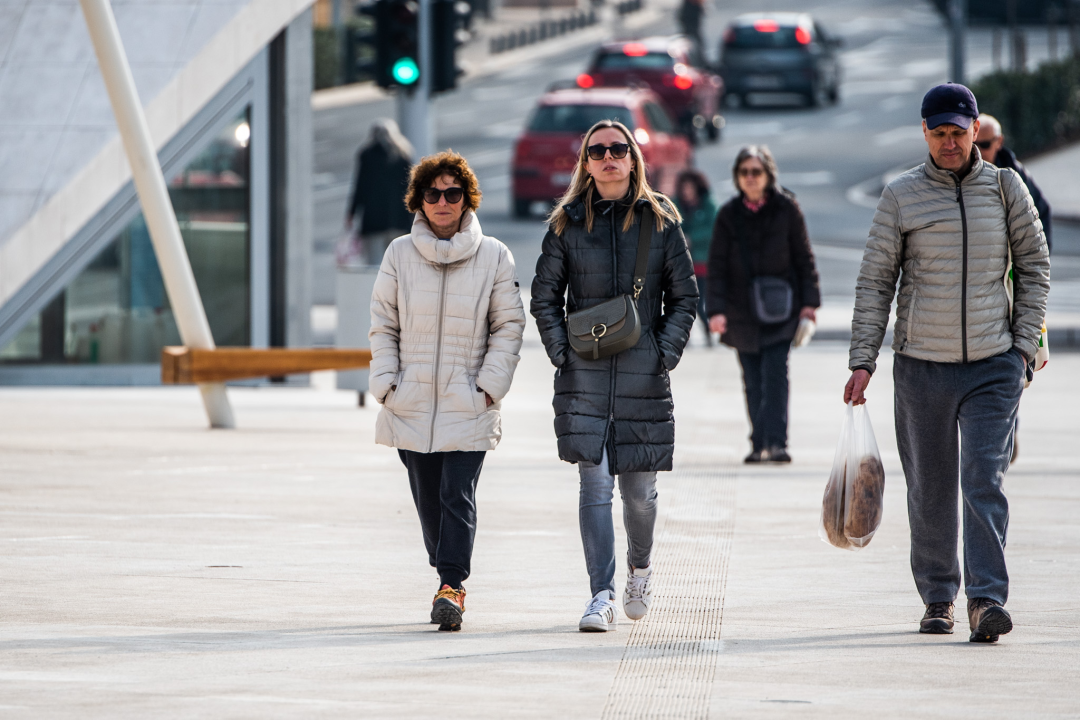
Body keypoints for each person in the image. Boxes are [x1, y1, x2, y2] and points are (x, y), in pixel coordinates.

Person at [845, 84, 1049, 643]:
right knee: (930, 489)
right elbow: (875, 282)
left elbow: (1034, 266)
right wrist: (863, 360)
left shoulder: (1006, 189)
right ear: (925, 133)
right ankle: (939, 597)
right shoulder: (901, 195)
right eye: (939, 133)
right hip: (922, 367)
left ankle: (986, 600)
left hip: (993, 364)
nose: (950, 142)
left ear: (976, 129)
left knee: (983, 479)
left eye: (959, 132)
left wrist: (1022, 348)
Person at [531, 120, 698, 633]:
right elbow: (544, 297)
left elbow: (684, 297)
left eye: (618, 149)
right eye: (598, 150)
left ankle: (639, 570)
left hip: (642, 378)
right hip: (583, 378)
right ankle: (600, 594)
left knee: (639, 495)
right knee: (594, 485)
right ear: (585, 162)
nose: (608, 158)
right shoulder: (565, 225)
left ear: (632, 159)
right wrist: (562, 353)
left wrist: (662, 354)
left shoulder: (660, 221)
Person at [369, 150, 526, 632]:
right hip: (411, 399)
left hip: (468, 400)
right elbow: (383, 322)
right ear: (419, 200)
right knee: (428, 500)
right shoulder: (398, 254)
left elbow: (509, 325)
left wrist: (488, 387)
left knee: (456, 492)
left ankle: (452, 586)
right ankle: (445, 569)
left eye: (452, 193)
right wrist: (387, 383)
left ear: (466, 199)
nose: (442, 202)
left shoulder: (494, 255)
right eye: (433, 193)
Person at [705, 146, 820, 464]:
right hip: (740, 311)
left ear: (769, 175)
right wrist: (715, 310)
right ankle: (758, 443)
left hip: (781, 307)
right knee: (753, 380)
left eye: (756, 171)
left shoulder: (787, 209)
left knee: (776, 376)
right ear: (737, 177)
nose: (751, 178)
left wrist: (809, 304)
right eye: (744, 172)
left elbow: (804, 258)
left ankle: (777, 442)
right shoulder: (728, 214)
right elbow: (716, 267)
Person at [977, 114, 1052, 254]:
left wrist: (1039, 257)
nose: (978, 151)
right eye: (973, 145)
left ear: (999, 142)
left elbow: (1041, 211)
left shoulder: (1016, 174)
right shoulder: (961, 172)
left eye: (985, 145)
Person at [345, 119, 414, 266]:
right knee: (398, 264)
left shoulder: (366, 155)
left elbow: (360, 187)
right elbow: (410, 189)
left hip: (373, 220)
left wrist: (351, 213)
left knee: (375, 264)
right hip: (399, 219)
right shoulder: (403, 154)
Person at [675, 168, 719, 346]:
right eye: (684, 188)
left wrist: (692, 238)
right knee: (682, 301)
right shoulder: (677, 205)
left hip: (702, 261)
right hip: (681, 263)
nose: (687, 192)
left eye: (690, 188)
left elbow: (713, 230)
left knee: (699, 302)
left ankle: (707, 330)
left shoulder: (708, 205)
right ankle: (684, 335)